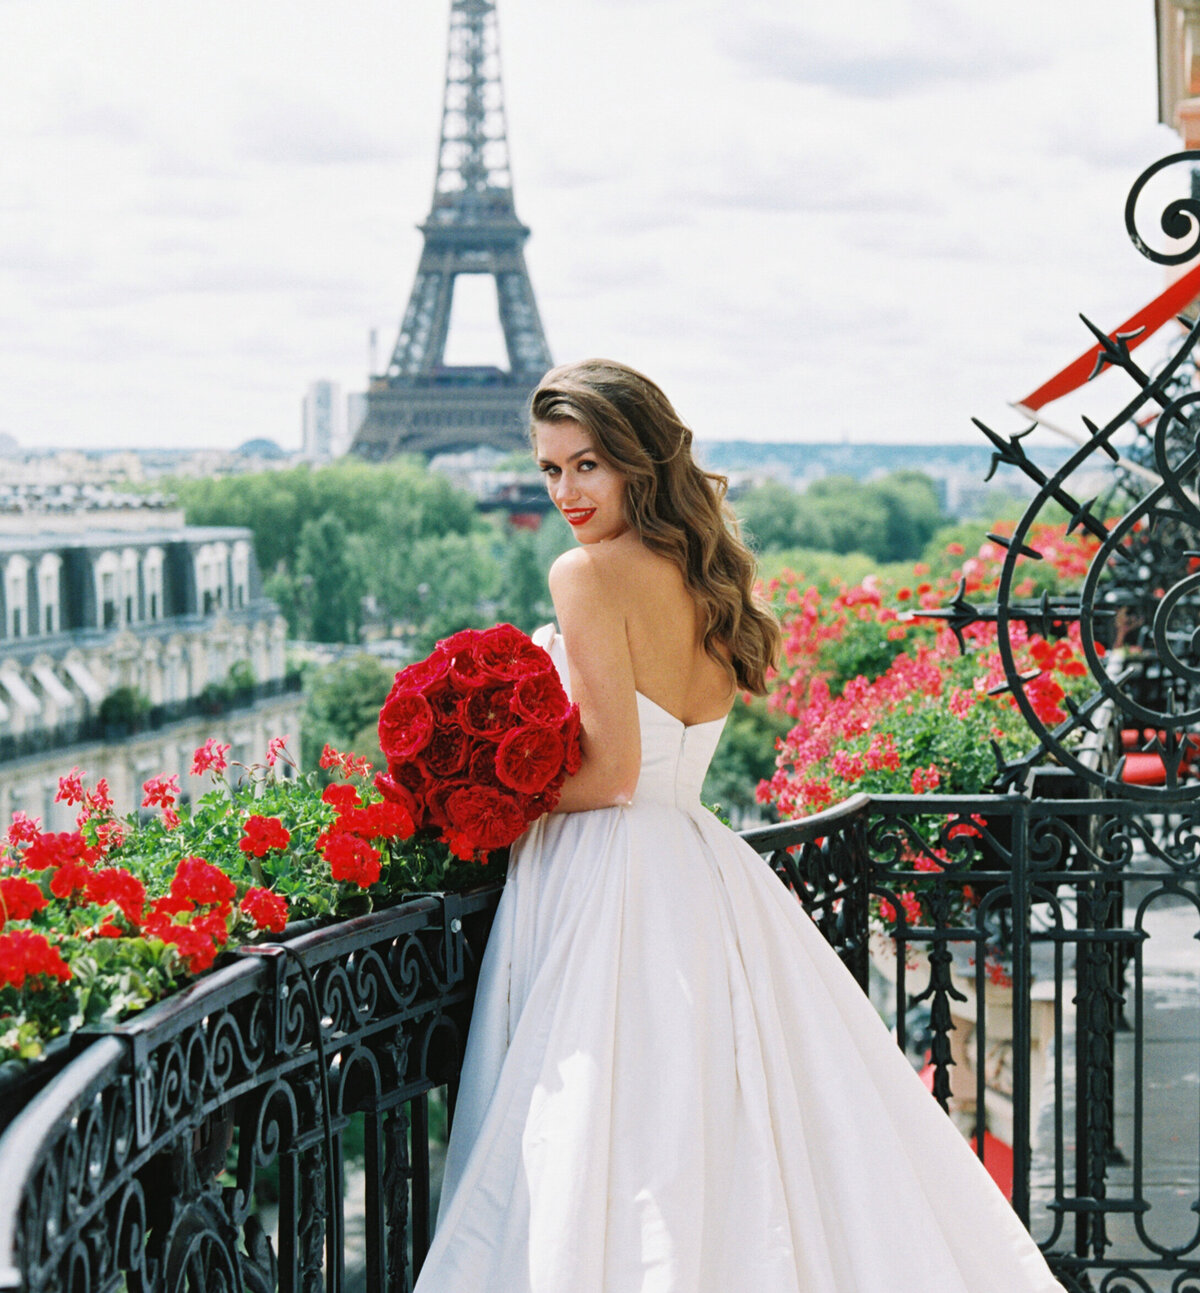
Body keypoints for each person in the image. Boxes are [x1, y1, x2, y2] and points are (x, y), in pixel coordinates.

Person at [413, 359, 1059, 1293]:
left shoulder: (586, 573)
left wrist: (485, 797)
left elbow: (614, 771)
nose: (565, 492)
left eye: (586, 465)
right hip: (699, 863)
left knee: (610, 1135)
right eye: (551, 470)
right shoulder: (698, 570)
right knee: (719, 1121)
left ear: (637, 460)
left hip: (608, 872)